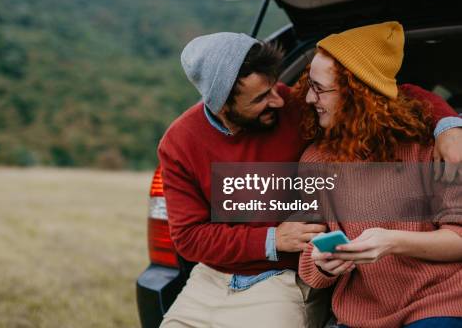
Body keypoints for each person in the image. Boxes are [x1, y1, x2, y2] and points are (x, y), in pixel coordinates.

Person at [158, 31, 462, 328]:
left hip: (291, 282)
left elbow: (394, 92)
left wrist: (448, 125)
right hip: (216, 279)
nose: (283, 99)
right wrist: (287, 246)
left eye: (275, 87)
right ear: (222, 105)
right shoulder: (181, 142)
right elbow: (187, 237)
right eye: (262, 97)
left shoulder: (295, 109)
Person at [297, 21, 462, 328]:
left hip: (441, 303)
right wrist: (323, 265)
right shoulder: (314, 160)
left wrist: (393, 242)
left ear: (358, 94)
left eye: (319, 89)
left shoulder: (434, 148)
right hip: (363, 315)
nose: (308, 98)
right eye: (309, 85)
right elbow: (310, 264)